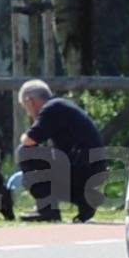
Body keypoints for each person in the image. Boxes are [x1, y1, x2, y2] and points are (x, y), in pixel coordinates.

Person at [15, 78, 105, 223]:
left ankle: (47, 210)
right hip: (91, 165)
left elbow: (28, 141)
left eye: (25, 107)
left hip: (83, 164)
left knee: (25, 153)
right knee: (39, 175)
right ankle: (87, 200)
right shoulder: (60, 106)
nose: (28, 113)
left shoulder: (52, 108)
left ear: (30, 101)